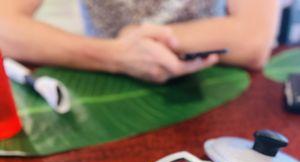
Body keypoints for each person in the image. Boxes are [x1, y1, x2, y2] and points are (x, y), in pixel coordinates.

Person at [0, 0, 279, 83]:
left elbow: (255, 40)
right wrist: (114, 55)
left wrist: (143, 45)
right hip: (104, 78)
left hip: (210, 79)